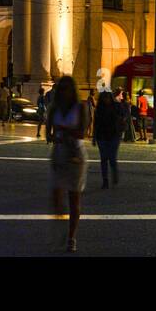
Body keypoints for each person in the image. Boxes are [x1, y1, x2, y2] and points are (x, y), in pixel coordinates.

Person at [47, 75, 87, 252]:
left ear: (73, 90)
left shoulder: (81, 107)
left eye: (67, 88)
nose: (63, 91)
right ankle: (62, 226)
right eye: (61, 88)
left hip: (76, 154)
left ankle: (72, 237)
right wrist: (53, 136)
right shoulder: (54, 108)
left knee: (74, 197)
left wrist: (63, 130)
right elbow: (48, 134)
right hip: (59, 152)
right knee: (56, 194)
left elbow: (82, 133)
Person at [93, 89, 121, 188]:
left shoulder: (116, 107)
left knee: (112, 158)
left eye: (108, 97)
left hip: (114, 135)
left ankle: (114, 173)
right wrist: (94, 137)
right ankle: (105, 180)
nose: (106, 100)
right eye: (104, 97)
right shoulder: (99, 110)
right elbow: (95, 124)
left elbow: (122, 118)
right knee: (104, 158)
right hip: (102, 136)